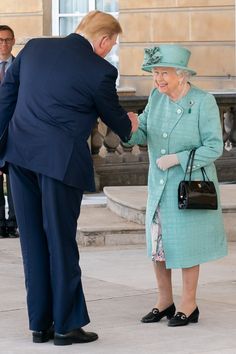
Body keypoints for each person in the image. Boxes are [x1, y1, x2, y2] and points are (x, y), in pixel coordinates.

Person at [0, 11, 138, 345]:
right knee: (60, 243)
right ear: (103, 40)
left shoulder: (33, 49)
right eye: (112, 44)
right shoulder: (100, 70)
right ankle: (66, 326)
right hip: (60, 165)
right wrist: (130, 123)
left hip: (20, 158)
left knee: (32, 244)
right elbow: (117, 122)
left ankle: (40, 325)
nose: (110, 51)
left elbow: (5, 100)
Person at [127, 44, 228, 327]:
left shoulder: (202, 101)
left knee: (186, 246)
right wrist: (131, 129)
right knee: (158, 246)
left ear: (182, 75)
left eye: (164, 73)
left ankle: (189, 304)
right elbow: (142, 133)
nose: (158, 80)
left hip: (187, 186)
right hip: (158, 187)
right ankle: (164, 301)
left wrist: (178, 159)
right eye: (155, 73)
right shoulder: (156, 99)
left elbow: (214, 146)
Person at [0, 25, 18, 238]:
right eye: (0, 40)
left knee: (15, 182)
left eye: (7, 39)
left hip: (15, 134)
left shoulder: (20, 67)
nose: (3, 44)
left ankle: (13, 223)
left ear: (13, 41)